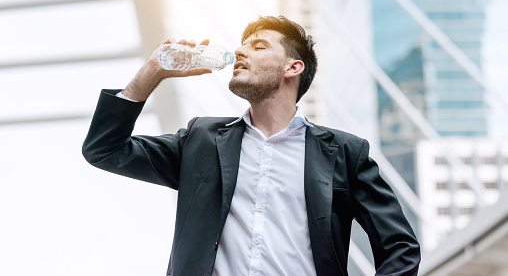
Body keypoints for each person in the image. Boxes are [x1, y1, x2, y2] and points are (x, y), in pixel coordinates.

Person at [82, 16, 420, 276]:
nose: (240, 51)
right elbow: (105, 149)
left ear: (293, 67)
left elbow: (400, 248)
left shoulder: (345, 153)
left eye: (258, 46)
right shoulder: (201, 141)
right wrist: (153, 71)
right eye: (242, 45)